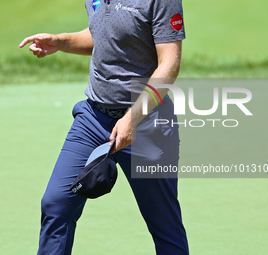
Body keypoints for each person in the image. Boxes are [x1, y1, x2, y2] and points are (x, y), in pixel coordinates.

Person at [19, 0, 189, 254]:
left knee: (164, 223)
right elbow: (103, 35)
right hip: (93, 119)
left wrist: (132, 119)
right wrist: (61, 41)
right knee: (56, 204)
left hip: (147, 124)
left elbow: (169, 65)